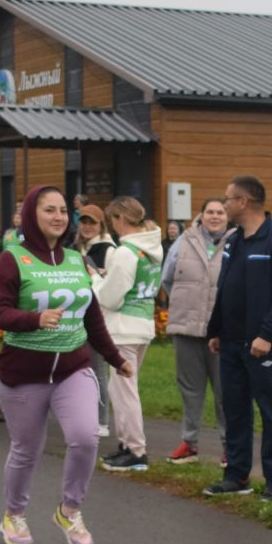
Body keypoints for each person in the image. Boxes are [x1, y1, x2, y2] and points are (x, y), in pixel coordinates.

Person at [0, 185, 129, 544]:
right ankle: (13, 515)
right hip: (23, 373)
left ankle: (70, 510)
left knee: (85, 437)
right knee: (26, 449)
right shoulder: (12, 258)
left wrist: (116, 359)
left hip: (71, 368)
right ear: (33, 214)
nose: (58, 217)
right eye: (49, 210)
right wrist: (34, 318)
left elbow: (92, 317)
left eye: (63, 210)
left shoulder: (74, 258)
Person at [204, 176, 272, 500]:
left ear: (244, 202)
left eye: (228, 199)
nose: (225, 204)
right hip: (230, 343)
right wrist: (216, 330)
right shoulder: (234, 241)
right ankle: (236, 476)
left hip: (262, 346)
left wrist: (267, 336)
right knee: (235, 410)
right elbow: (224, 288)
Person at [94, 196, 163, 471]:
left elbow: (110, 297)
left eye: (113, 221)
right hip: (142, 324)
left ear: (120, 219)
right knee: (123, 389)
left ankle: (135, 451)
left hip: (122, 328)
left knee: (124, 391)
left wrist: (96, 279)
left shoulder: (125, 252)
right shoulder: (152, 248)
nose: (112, 227)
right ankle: (126, 444)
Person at [160, 198, 227, 463]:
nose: (214, 216)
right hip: (187, 328)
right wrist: (186, 303)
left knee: (226, 392)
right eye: (209, 211)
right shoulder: (184, 240)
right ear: (201, 215)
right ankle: (189, 443)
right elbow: (167, 279)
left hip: (222, 332)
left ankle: (229, 447)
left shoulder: (237, 240)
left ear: (227, 216)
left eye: (220, 212)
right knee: (190, 389)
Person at [75, 202, 114, 440]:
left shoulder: (108, 249)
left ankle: (102, 420)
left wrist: (100, 275)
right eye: (84, 221)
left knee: (98, 369)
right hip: (76, 314)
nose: (87, 227)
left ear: (101, 225)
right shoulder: (74, 248)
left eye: (92, 222)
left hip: (98, 316)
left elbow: (111, 283)